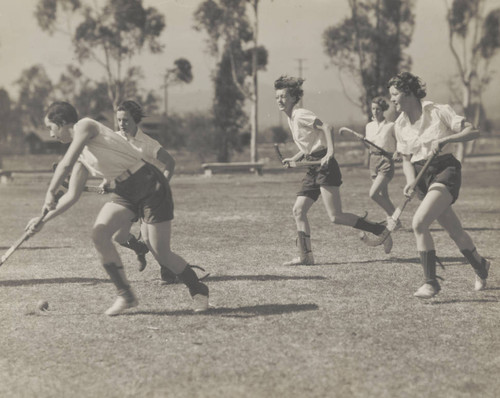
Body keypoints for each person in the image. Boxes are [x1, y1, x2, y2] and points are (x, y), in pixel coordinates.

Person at [26, 101, 209, 315]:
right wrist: (42, 220)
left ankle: (198, 290)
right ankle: (126, 295)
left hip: (150, 183)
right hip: (125, 190)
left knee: (161, 252)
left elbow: (65, 163)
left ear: (63, 122)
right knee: (99, 234)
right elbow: (72, 195)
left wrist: (49, 192)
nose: (50, 134)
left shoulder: (85, 125)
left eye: (51, 127)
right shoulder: (82, 154)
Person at [388, 71, 490, 298]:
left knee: (419, 223)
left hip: (445, 170)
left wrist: (445, 139)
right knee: (454, 230)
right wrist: (410, 181)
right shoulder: (399, 125)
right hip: (421, 177)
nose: (392, 99)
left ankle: (430, 282)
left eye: (395, 94)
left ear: (409, 93)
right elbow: (405, 158)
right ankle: (480, 265)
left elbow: (472, 130)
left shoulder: (438, 111)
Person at [274, 75, 393, 266]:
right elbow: (309, 146)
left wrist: (330, 151)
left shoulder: (300, 114)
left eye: (283, 96)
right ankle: (306, 256)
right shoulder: (291, 119)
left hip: (325, 165)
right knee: (298, 210)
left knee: (336, 217)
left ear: (293, 97)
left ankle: (380, 230)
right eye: (277, 97)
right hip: (313, 165)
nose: (279, 100)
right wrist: (294, 158)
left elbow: (327, 127)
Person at [364, 97, 400, 228]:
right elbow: (369, 145)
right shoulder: (369, 126)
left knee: (373, 194)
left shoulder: (391, 126)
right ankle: (393, 221)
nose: (375, 112)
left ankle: (395, 218)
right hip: (373, 161)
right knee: (384, 195)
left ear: (383, 110)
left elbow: (400, 141)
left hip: (386, 161)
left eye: (378, 109)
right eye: (373, 109)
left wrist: (397, 152)